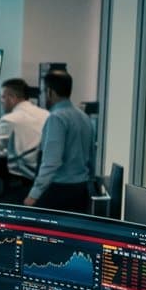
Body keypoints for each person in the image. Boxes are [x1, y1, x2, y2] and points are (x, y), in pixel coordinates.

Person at [28, 68, 95, 211]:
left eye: (44, 92)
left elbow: (51, 161)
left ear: (50, 92)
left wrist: (34, 194)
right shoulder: (83, 116)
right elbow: (91, 158)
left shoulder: (56, 118)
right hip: (80, 190)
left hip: (59, 191)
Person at [0, 77, 48, 189]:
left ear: (12, 98)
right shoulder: (47, 114)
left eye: (3, 97)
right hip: (44, 180)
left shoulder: (9, 119)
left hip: (22, 181)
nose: (1, 101)